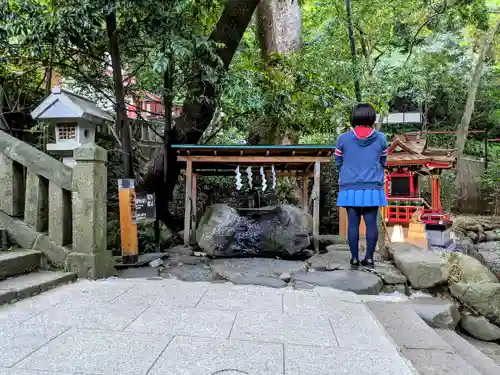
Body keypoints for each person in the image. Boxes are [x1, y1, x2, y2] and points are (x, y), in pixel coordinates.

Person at [335, 103, 388, 268]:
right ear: (372, 118)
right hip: (373, 187)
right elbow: (383, 161)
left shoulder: (343, 139)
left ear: (354, 117)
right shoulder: (381, 138)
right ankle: (370, 258)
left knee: (352, 223)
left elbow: (338, 161)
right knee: (371, 223)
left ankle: (354, 258)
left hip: (350, 188)